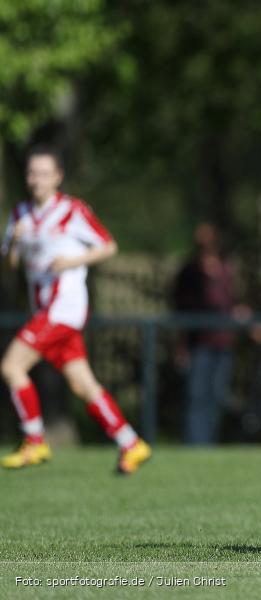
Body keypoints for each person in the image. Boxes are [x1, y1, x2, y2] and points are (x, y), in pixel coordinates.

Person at [0, 147, 152, 474]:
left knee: (12, 366)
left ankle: (34, 441)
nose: (35, 180)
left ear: (57, 177)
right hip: (43, 309)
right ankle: (131, 443)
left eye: (43, 173)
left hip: (63, 308)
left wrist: (73, 260)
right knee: (83, 384)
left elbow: (108, 246)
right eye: (31, 173)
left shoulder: (72, 211)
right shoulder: (21, 214)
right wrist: (15, 242)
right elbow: (10, 265)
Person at [173, 222, 240, 445]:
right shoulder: (190, 270)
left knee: (217, 395)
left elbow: (231, 301)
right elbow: (180, 308)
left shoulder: (226, 268)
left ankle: (210, 442)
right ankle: (196, 444)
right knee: (197, 395)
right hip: (199, 342)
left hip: (223, 340)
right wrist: (181, 344)